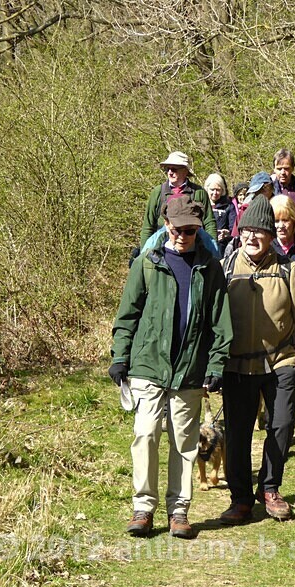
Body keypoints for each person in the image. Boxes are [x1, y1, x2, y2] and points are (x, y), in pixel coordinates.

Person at [110, 196, 232, 539]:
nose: (183, 235)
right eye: (178, 229)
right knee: (145, 434)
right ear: (167, 225)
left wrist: (216, 363)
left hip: (190, 370)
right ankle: (143, 508)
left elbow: (220, 322)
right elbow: (128, 314)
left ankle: (179, 511)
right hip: (148, 365)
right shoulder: (148, 263)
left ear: (197, 230)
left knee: (185, 442)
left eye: (190, 230)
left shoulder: (210, 267)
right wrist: (120, 356)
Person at [218, 194, 295, 525]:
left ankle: (270, 489)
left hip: (281, 362)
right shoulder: (227, 267)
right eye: (246, 231)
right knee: (237, 434)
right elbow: (211, 320)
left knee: (281, 425)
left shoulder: (288, 269)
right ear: (240, 232)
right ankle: (241, 500)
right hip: (236, 367)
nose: (252, 237)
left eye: (259, 232)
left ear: (270, 236)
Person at [140, 151, 217, 248]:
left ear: (185, 171)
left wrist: (213, 248)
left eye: (174, 169)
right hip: (163, 241)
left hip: (192, 240)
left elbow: (209, 223)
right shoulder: (158, 192)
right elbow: (148, 226)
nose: (170, 172)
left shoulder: (199, 192)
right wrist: (144, 252)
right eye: (168, 169)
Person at [204, 173, 234, 256]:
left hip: (222, 247)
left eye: (218, 190)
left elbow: (234, 227)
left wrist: (227, 233)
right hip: (204, 244)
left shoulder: (229, 206)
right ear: (207, 189)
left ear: (222, 190)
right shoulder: (202, 204)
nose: (215, 193)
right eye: (212, 189)